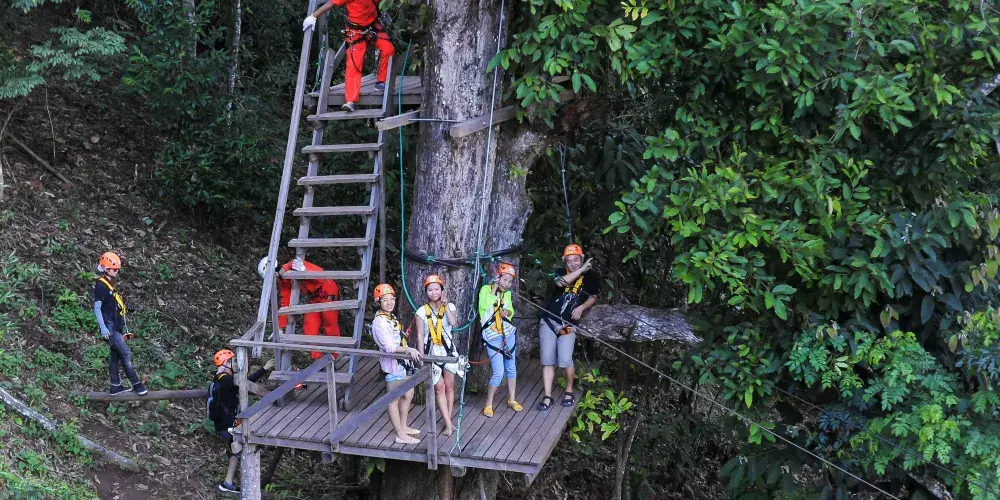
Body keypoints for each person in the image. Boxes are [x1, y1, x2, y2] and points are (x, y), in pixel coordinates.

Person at [302, 0, 395, 113]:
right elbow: (331, 3)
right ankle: (350, 100)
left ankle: (382, 81)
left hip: (372, 27)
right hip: (355, 32)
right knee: (354, 64)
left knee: (388, 49)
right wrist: (313, 16)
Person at [537, 244, 599, 411]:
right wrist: (582, 269)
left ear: (582, 258)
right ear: (565, 261)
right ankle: (547, 396)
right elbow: (561, 283)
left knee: (565, 360)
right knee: (547, 360)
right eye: (569, 261)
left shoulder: (591, 277)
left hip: (568, 325)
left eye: (576, 260)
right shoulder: (559, 272)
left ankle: (569, 391)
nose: (573, 264)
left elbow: (593, 296)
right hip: (549, 322)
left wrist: (582, 307)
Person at [207, 349, 275, 494]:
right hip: (227, 425)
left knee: (238, 450)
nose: (237, 364)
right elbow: (246, 383)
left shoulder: (219, 377)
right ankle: (232, 484)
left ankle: (228, 483)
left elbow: (242, 383)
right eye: (234, 361)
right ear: (226, 363)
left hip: (223, 423)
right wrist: (264, 369)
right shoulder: (226, 380)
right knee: (241, 448)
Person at [258, 256, 341, 360]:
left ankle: (334, 356)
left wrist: (300, 270)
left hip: (327, 294)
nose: (274, 283)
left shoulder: (294, 265)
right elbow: (286, 303)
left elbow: (298, 264)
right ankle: (318, 360)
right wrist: (280, 327)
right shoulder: (284, 282)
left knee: (330, 326)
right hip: (314, 299)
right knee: (309, 326)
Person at [371, 284, 423, 444]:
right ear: (379, 302)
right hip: (392, 365)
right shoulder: (380, 322)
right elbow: (388, 347)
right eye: (385, 300)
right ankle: (400, 434)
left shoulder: (390, 317)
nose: (389, 303)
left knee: (408, 394)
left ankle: (403, 426)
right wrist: (408, 349)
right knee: (393, 399)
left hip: (402, 363)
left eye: (391, 299)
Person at [92, 252, 147, 397]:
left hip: (116, 325)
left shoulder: (110, 283)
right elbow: (97, 308)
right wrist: (103, 328)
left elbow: (111, 304)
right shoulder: (101, 285)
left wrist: (126, 308)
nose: (116, 271)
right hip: (110, 327)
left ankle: (115, 386)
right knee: (125, 354)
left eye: (117, 269)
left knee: (115, 356)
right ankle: (137, 384)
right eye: (114, 269)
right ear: (106, 269)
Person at [414, 275, 462, 436]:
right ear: (426, 292)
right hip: (432, 353)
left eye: (437, 289)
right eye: (430, 290)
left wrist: (445, 306)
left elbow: (453, 323)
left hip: (448, 352)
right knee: (439, 388)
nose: (434, 292)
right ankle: (448, 423)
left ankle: (449, 419)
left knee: (449, 387)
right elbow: (419, 335)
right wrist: (421, 357)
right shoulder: (421, 311)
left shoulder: (450, 306)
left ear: (442, 290)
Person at [478, 263, 522, 417]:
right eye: (504, 280)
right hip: (492, 335)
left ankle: (512, 399)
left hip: (507, 333)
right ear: (498, 277)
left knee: (511, 367)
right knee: (498, 371)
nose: (507, 284)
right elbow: (484, 306)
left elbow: (511, 312)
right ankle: (488, 403)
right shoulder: (486, 289)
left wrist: (507, 312)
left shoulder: (507, 294)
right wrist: (494, 288)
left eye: (510, 281)